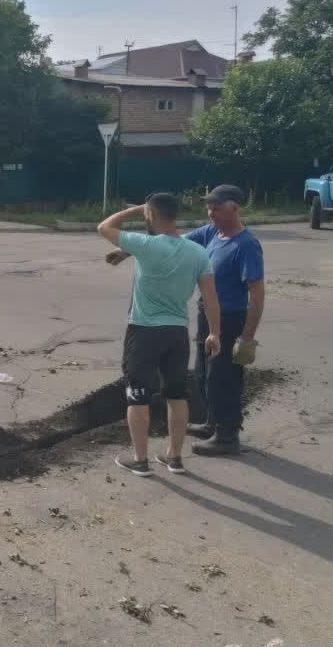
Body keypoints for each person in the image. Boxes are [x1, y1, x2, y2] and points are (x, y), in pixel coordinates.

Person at [97, 193, 222, 477]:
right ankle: (174, 458)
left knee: (138, 396)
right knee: (177, 395)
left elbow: (103, 227)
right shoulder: (197, 252)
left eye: (146, 214)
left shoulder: (147, 245)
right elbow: (211, 297)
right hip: (177, 333)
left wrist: (138, 208)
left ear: (151, 215)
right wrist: (215, 332)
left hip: (144, 332)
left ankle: (140, 460)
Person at [182, 184, 265, 455]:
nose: (210, 212)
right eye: (209, 207)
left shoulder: (247, 245)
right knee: (204, 373)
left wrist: (248, 336)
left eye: (216, 207)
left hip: (230, 319)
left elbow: (257, 291)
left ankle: (227, 436)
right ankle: (212, 422)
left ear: (234, 208)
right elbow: (178, 242)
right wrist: (137, 246)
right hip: (208, 315)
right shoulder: (211, 233)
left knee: (223, 378)